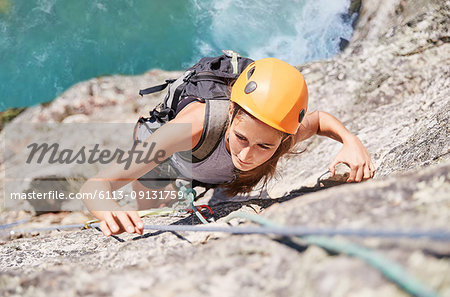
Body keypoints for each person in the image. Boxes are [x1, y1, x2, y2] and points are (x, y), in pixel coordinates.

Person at [80, 58, 375, 237]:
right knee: (150, 218)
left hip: (206, 168)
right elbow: (96, 185)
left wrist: (351, 141)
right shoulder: (192, 127)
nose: (246, 156)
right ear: (232, 112)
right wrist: (107, 208)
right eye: (242, 138)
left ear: (284, 138)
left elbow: (320, 120)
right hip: (164, 158)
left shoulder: (283, 135)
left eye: (264, 146)